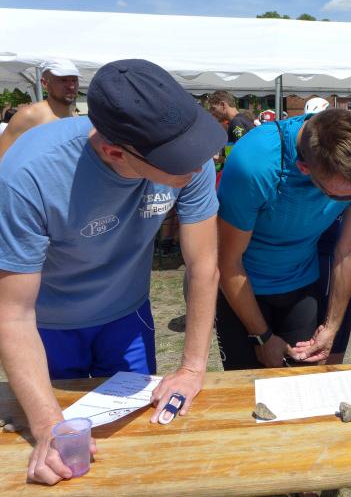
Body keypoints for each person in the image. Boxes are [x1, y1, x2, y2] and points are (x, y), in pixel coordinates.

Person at [0, 59, 226, 485]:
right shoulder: (28, 174)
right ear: (115, 152)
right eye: (179, 161)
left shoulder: (187, 158)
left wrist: (192, 368)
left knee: (137, 446)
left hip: (127, 318)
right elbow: (12, 313)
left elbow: (203, 267)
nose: (198, 167)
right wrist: (48, 426)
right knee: (62, 458)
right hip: (47, 328)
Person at [216, 108, 351, 370]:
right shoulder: (254, 163)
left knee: (301, 384)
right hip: (243, 289)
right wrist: (262, 336)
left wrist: (332, 326)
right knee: (246, 387)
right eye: (342, 198)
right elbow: (228, 261)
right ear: (304, 169)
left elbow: (350, 247)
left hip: (301, 284)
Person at [0, 59, 79, 159]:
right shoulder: (29, 116)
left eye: (74, 80)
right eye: (63, 80)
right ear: (44, 83)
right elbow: (2, 158)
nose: (71, 86)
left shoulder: (75, 118)